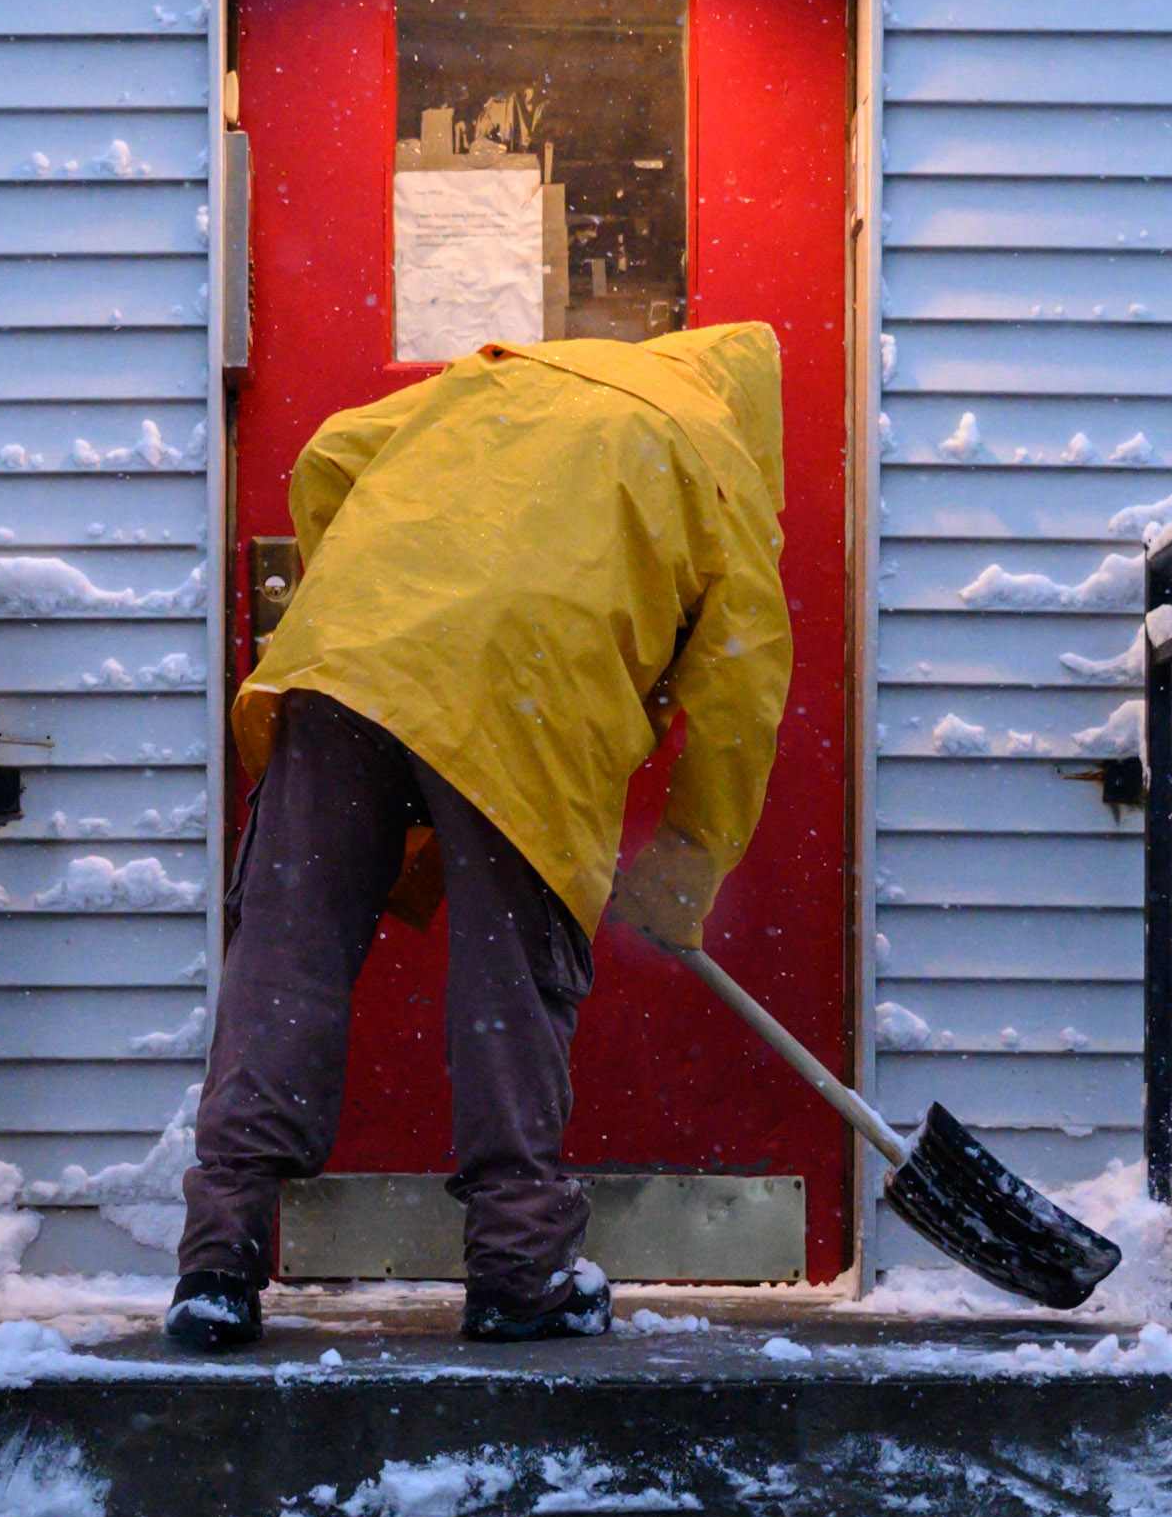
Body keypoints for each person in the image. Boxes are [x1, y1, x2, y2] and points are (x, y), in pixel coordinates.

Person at [172, 320, 791, 1349]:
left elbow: (327, 453)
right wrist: (686, 857)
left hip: (345, 662)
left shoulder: (490, 380)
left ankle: (217, 1266)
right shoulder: (713, 451)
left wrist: (379, 607)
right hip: (531, 694)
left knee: (285, 956)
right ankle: (520, 1268)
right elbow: (742, 692)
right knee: (509, 980)